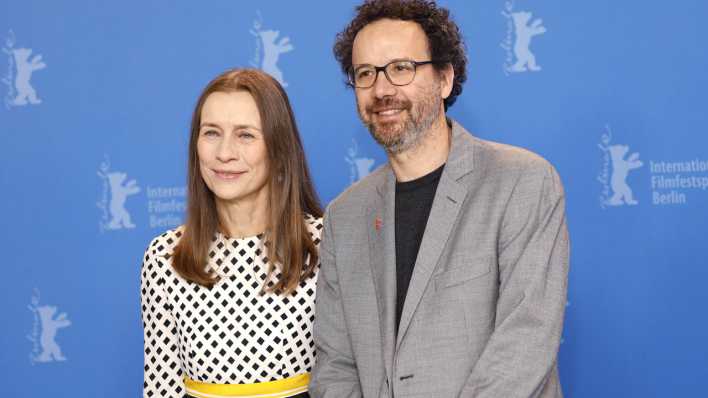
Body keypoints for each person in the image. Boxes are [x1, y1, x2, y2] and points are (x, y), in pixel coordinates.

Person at [310, 1, 569, 397]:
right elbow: (336, 367)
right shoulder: (344, 217)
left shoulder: (523, 182)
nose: (382, 89)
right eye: (365, 74)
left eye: (401, 68)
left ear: (445, 79)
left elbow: (524, 345)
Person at [141, 68, 322, 398]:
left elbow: (352, 378)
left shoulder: (327, 246)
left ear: (280, 148)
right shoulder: (166, 257)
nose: (224, 153)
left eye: (245, 135)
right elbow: (161, 388)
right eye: (211, 133)